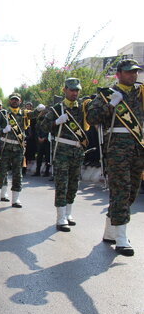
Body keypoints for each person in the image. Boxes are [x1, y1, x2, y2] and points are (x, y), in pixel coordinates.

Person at [87, 59, 144, 256]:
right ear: (118, 74)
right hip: (117, 150)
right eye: (129, 72)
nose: (133, 75)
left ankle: (111, 231)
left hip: (138, 149)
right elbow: (91, 118)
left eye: (135, 72)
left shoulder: (141, 93)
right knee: (121, 190)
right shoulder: (107, 95)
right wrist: (111, 105)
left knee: (131, 192)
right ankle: (121, 238)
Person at [40, 78, 89, 232]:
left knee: (74, 183)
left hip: (77, 151)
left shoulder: (82, 109)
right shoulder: (56, 109)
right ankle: (60, 217)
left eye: (77, 90)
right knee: (62, 183)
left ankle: (68, 213)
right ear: (65, 90)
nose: (75, 93)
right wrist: (56, 122)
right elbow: (43, 126)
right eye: (72, 90)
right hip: (61, 151)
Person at [0, 92, 29, 208]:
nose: (15, 101)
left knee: (18, 174)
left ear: (20, 101)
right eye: (13, 99)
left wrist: (39, 110)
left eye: (16, 100)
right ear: (9, 101)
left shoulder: (23, 115)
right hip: (6, 147)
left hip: (18, 148)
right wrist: (3, 130)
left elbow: (34, 115)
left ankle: (15, 199)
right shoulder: (3, 114)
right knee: (2, 172)